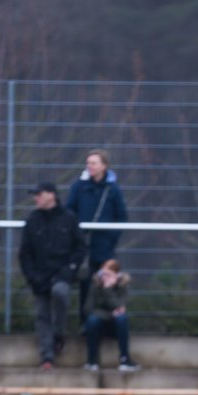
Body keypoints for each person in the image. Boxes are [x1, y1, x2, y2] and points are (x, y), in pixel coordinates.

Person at [18, 180, 86, 370]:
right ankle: (47, 356)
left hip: (61, 274)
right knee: (42, 314)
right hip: (39, 276)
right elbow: (25, 254)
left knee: (60, 294)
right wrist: (32, 276)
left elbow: (80, 248)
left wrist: (68, 270)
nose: (35, 198)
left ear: (51, 195)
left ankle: (59, 333)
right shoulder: (32, 220)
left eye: (39, 194)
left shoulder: (69, 218)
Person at [66, 149, 128, 326]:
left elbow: (121, 216)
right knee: (85, 284)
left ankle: (105, 324)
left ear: (104, 166)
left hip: (104, 247)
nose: (90, 166)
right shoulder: (79, 187)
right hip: (83, 245)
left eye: (94, 163)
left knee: (105, 283)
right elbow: (69, 210)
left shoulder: (112, 190)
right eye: (88, 163)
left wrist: (111, 239)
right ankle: (85, 323)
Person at [82, 259, 139, 372]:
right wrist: (109, 313)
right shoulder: (95, 286)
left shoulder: (123, 287)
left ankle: (125, 359)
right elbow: (88, 309)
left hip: (116, 325)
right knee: (92, 320)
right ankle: (92, 361)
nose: (104, 277)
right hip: (99, 323)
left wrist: (108, 290)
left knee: (122, 319)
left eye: (108, 274)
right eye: (102, 273)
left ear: (116, 275)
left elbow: (121, 306)